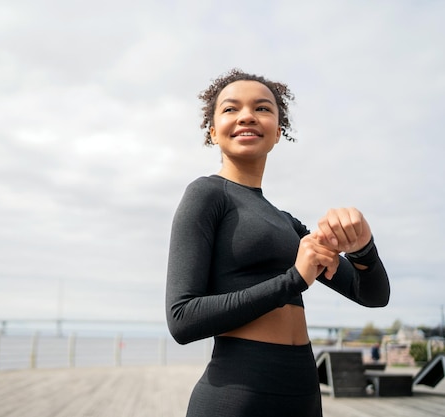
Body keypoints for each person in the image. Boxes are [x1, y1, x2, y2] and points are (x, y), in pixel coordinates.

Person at [165, 68, 390, 417]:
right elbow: (182, 319)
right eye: (230, 108)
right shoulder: (206, 194)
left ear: (278, 133)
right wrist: (294, 280)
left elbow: (372, 295)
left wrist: (363, 248)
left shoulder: (288, 223)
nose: (247, 116)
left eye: (263, 108)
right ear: (212, 131)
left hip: (302, 390)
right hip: (237, 394)